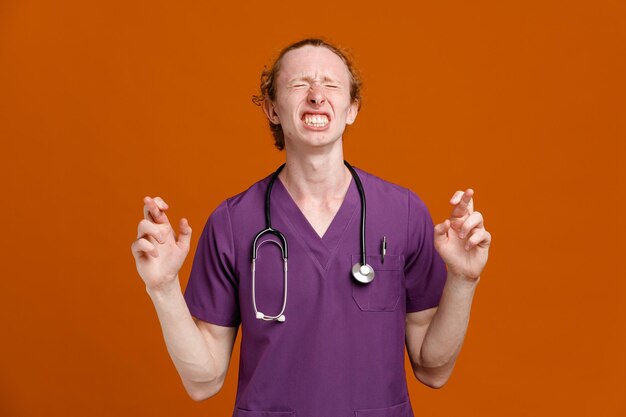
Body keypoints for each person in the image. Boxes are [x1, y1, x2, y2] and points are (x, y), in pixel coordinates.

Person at [131, 38, 491, 417]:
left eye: (331, 84)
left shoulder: (402, 213)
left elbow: (433, 368)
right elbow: (203, 381)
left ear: (352, 109)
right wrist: (163, 288)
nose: (317, 96)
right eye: (299, 84)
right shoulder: (233, 223)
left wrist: (463, 280)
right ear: (272, 109)